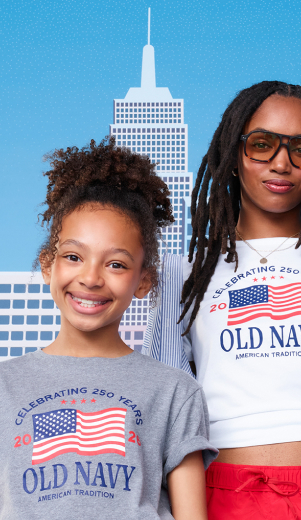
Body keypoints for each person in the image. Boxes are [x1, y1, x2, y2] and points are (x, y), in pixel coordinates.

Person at [144, 81, 301, 519]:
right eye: (261, 144)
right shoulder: (183, 274)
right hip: (223, 499)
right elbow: (166, 413)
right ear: (232, 155)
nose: (281, 163)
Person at [2, 139, 210, 520]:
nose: (91, 278)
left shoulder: (176, 392)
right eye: (73, 257)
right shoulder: (4, 384)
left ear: (144, 281)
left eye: (116, 264)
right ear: (48, 265)